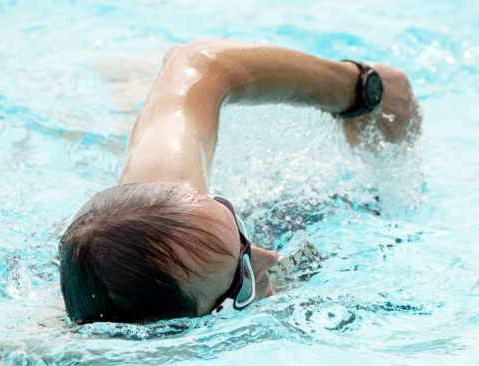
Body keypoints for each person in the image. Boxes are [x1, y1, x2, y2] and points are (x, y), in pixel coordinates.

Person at [59, 39, 419, 324]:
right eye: (242, 280)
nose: (271, 258)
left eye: (232, 221)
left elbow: (199, 63)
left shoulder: (162, 200)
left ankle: (126, 84)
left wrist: (357, 90)